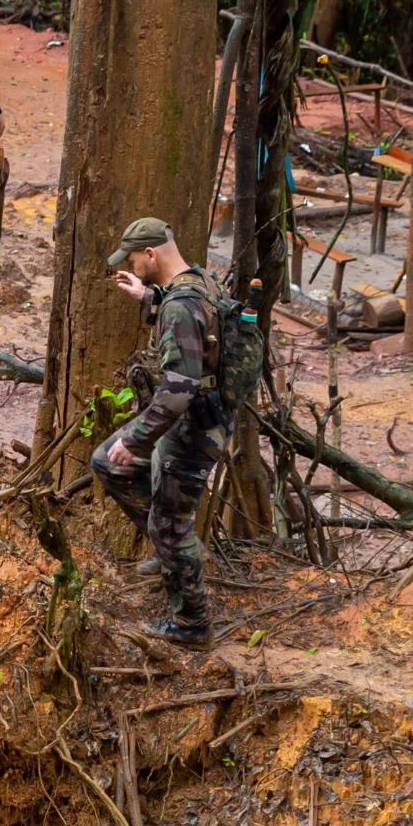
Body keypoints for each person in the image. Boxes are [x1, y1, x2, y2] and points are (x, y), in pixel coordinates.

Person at [90, 217, 257, 646]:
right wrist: (148, 297)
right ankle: (172, 543)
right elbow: (202, 327)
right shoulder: (200, 279)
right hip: (197, 417)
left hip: (194, 425)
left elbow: (179, 389)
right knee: (105, 462)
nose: (129, 264)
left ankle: (191, 624)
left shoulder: (179, 306)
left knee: (169, 520)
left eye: (133, 258)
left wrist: (135, 438)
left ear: (151, 255)